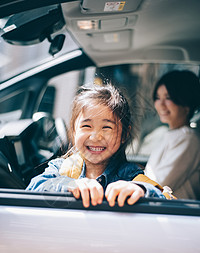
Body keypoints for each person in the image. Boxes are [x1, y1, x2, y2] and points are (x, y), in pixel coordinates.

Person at [26, 83, 168, 207]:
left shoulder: (129, 174)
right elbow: (34, 187)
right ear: (74, 131)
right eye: (87, 126)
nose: (95, 136)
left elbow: (163, 198)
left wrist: (140, 190)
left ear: (124, 134)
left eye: (106, 128)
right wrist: (70, 185)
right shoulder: (61, 167)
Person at [145, 70, 200, 199]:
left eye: (168, 98)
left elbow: (159, 183)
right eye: (158, 98)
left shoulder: (188, 138)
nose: (161, 104)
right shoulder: (172, 134)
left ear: (186, 104)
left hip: (177, 213)